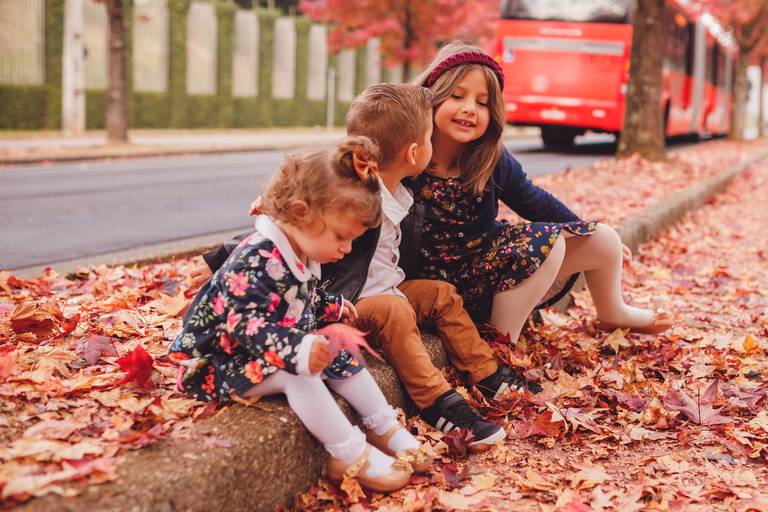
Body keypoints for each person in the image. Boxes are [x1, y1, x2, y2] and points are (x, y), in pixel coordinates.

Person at [195, 83, 541, 455]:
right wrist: (217, 259)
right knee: (395, 311)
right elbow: (290, 228)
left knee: (440, 294)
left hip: (389, 287)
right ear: (413, 153)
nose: (432, 144)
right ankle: (437, 402)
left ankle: (487, 373)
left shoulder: (401, 188)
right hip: (347, 302)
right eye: (428, 138)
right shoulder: (356, 200)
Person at [169, 137, 425, 493]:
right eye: (341, 236)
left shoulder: (299, 250)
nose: (346, 248)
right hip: (217, 361)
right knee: (300, 375)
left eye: (351, 240)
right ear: (302, 211)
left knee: (340, 351)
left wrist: (329, 307)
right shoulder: (255, 260)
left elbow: (297, 295)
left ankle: (382, 425)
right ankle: (347, 453)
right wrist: (298, 350)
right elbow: (245, 324)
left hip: (264, 351)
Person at [403, 41, 672, 346]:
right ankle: (501, 344)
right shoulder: (407, 156)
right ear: (433, 96)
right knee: (548, 243)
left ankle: (612, 312)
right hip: (430, 284)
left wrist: (581, 227)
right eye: (457, 96)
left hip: (483, 272)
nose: (469, 109)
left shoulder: (490, 158)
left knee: (604, 238)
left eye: (482, 103)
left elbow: (534, 201)